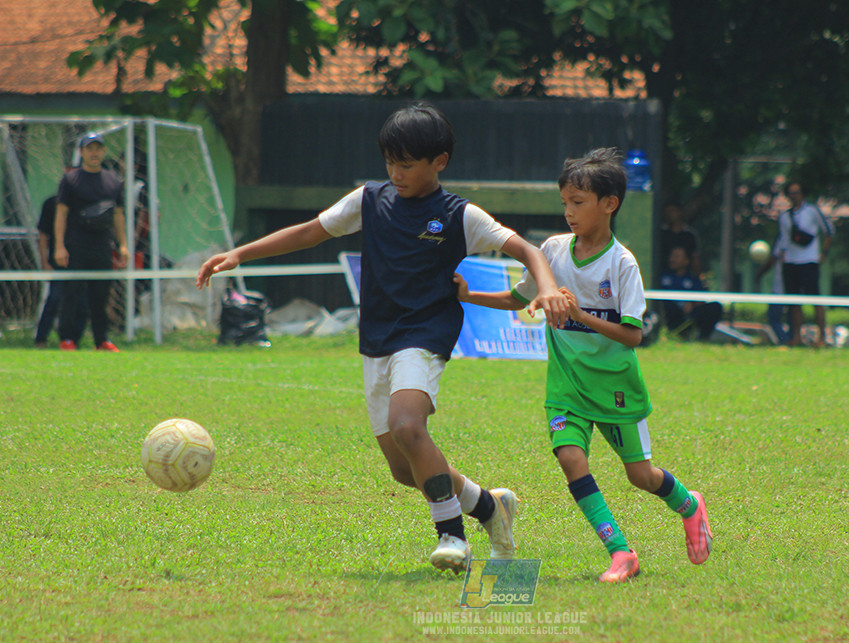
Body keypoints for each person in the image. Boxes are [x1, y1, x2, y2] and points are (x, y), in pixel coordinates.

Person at [196, 103, 570, 574]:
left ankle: (451, 535)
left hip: (425, 334)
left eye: (407, 164)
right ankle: (490, 508)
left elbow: (527, 250)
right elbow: (311, 231)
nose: (396, 172)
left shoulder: (459, 215)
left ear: (440, 162)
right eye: (389, 162)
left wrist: (549, 288)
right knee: (403, 468)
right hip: (377, 338)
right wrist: (239, 253)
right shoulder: (370, 200)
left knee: (409, 426)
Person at [456, 148, 712, 583]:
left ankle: (690, 505)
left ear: (609, 204)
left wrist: (579, 316)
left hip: (615, 387)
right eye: (564, 203)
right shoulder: (552, 251)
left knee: (641, 476)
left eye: (578, 202)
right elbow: (517, 299)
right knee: (570, 458)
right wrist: (467, 296)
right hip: (566, 388)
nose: (569, 212)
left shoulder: (622, 263)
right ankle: (620, 552)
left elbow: (634, 335)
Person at [53, 132, 129, 351]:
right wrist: (59, 245)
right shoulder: (70, 180)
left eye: (98, 148)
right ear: (82, 152)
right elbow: (61, 213)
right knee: (72, 293)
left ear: (103, 151)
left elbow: (117, 214)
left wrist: (122, 244)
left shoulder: (113, 180)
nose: (94, 153)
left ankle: (101, 340)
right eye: (89, 149)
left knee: (101, 295)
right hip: (77, 245)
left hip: (102, 246)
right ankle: (67, 339)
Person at [775, 182, 834, 346]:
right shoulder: (784, 217)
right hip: (791, 262)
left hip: (809, 261)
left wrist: (823, 253)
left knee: (815, 300)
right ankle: (796, 337)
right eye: (791, 193)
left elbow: (828, 232)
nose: (794, 196)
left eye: (797, 192)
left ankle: (821, 337)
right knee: (794, 302)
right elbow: (783, 241)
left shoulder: (812, 211)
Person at [33, 194, 88, 348]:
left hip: (80, 262)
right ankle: (41, 339)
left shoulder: (85, 201)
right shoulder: (51, 203)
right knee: (54, 299)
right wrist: (44, 261)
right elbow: (43, 234)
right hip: (58, 262)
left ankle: (72, 341)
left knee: (82, 303)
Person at [659, 246, 722, 341]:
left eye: (676, 257)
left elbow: (701, 300)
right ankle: (670, 334)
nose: (672, 259)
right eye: (671, 256)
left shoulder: (693, 280)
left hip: (688, 314)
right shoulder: (662, 277)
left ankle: (702, 337)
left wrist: (692, 304)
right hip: (670, 313)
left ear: (686, 261)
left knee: (715, 307)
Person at [658, 201, 702, 281]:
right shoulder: (662, 234)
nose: (669, 215)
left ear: (680, 212)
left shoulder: (689, 235)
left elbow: (695, 257)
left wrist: (698, 278)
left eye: (672, 211)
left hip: (685, 278)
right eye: (666, 212)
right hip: (663, 277)